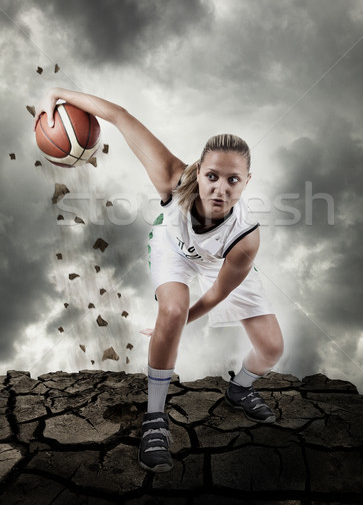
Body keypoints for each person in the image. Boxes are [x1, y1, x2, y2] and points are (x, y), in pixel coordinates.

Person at [35, 88, 284, 474]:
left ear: (247, 181)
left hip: (219, 262)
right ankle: (155, 419)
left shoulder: (246, 238)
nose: (220, 188)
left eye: (232, 180)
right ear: (199, 170)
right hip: (174, 246)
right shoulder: (172, 177)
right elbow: (119, 115)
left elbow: (218, 292)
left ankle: (240, 389)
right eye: (212, 176)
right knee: (172, 307)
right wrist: (57, 93)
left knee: (271, 349)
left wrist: (183, 322)